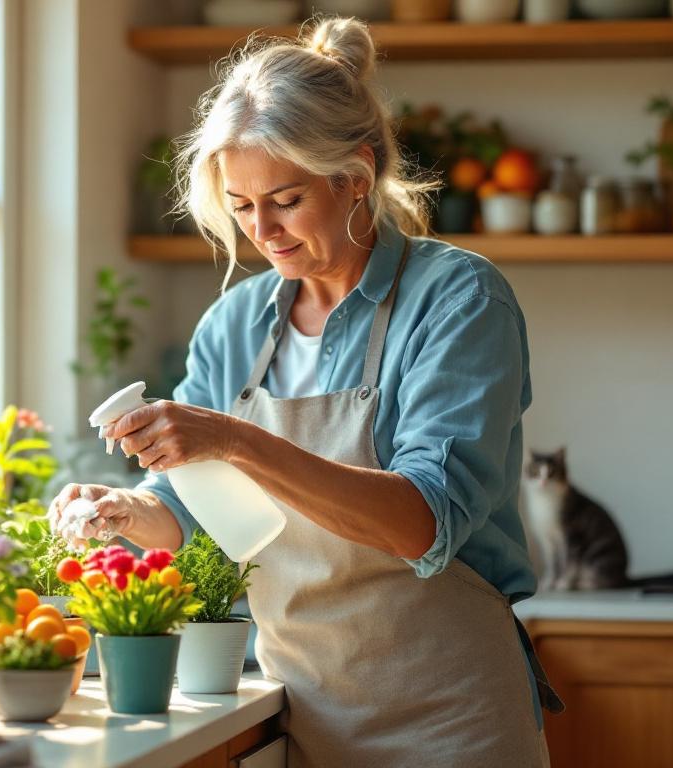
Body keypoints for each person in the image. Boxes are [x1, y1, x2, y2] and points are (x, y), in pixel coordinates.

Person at [48, 16, 561, 767]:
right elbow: (204, 523)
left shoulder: (457, 300)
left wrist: (232, 438)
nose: (264, 231)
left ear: (354, 176)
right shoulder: (236, 324)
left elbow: (423, 523)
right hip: (301, 711)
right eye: (243, 205)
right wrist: (127, 510)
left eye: (285, 200)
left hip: (453, 718)